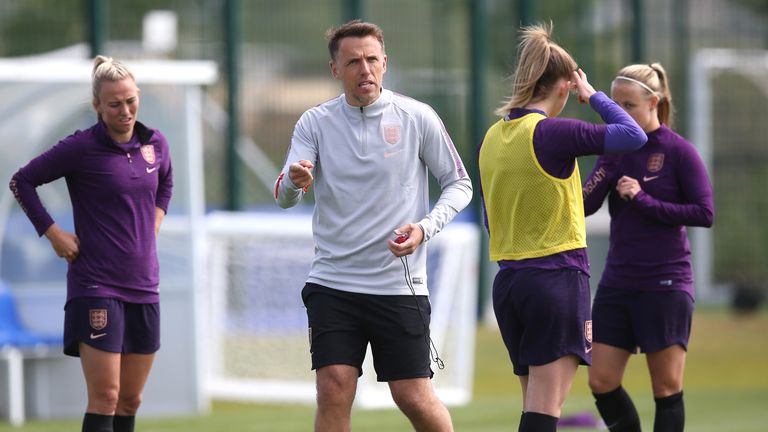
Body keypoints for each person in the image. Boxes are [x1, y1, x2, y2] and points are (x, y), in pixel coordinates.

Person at [275, 20, 472, 432]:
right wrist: (295, 181)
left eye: (371, 60)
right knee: (333, 387)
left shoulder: (418, 117)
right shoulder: (314, 122)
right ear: (335, 70)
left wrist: (424, 227)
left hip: (398, 285)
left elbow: (459, 184)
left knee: (412, 395)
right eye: (352, 62)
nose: (364, 69)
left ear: (385, 63)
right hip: (333, 282)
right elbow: (284, 195)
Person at [477, 24, 647, 432]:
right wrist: (595, 96)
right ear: (565, 87)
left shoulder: (492, 137)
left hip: (510, 284)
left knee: (533, 407)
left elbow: (489, 216)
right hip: (555, 279)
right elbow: (633, 135)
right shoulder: (552, 132)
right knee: (545, 409)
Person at [9, 55, 172, 432]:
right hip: (96, 285)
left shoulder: (155, 144)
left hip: (144, 285)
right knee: (107, 396)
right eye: (114, 103)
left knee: (132, 400)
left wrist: (157, 219)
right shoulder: (81, 148)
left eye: (131, 100)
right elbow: (22, 181)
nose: (125, 110)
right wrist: (53, 233)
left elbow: (165, 182)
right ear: (97, 106)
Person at [583, 63, 714, 432]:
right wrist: (606, 166)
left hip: (666, 283)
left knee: (666, 387)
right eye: (616, 105)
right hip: (618, 282)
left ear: (654, 102)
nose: (621, 113)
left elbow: (704, 213)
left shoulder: (678, 151)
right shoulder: (614, 149)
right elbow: (586, 205)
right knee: (601, 381)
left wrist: (642, 199)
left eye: (630, 105)